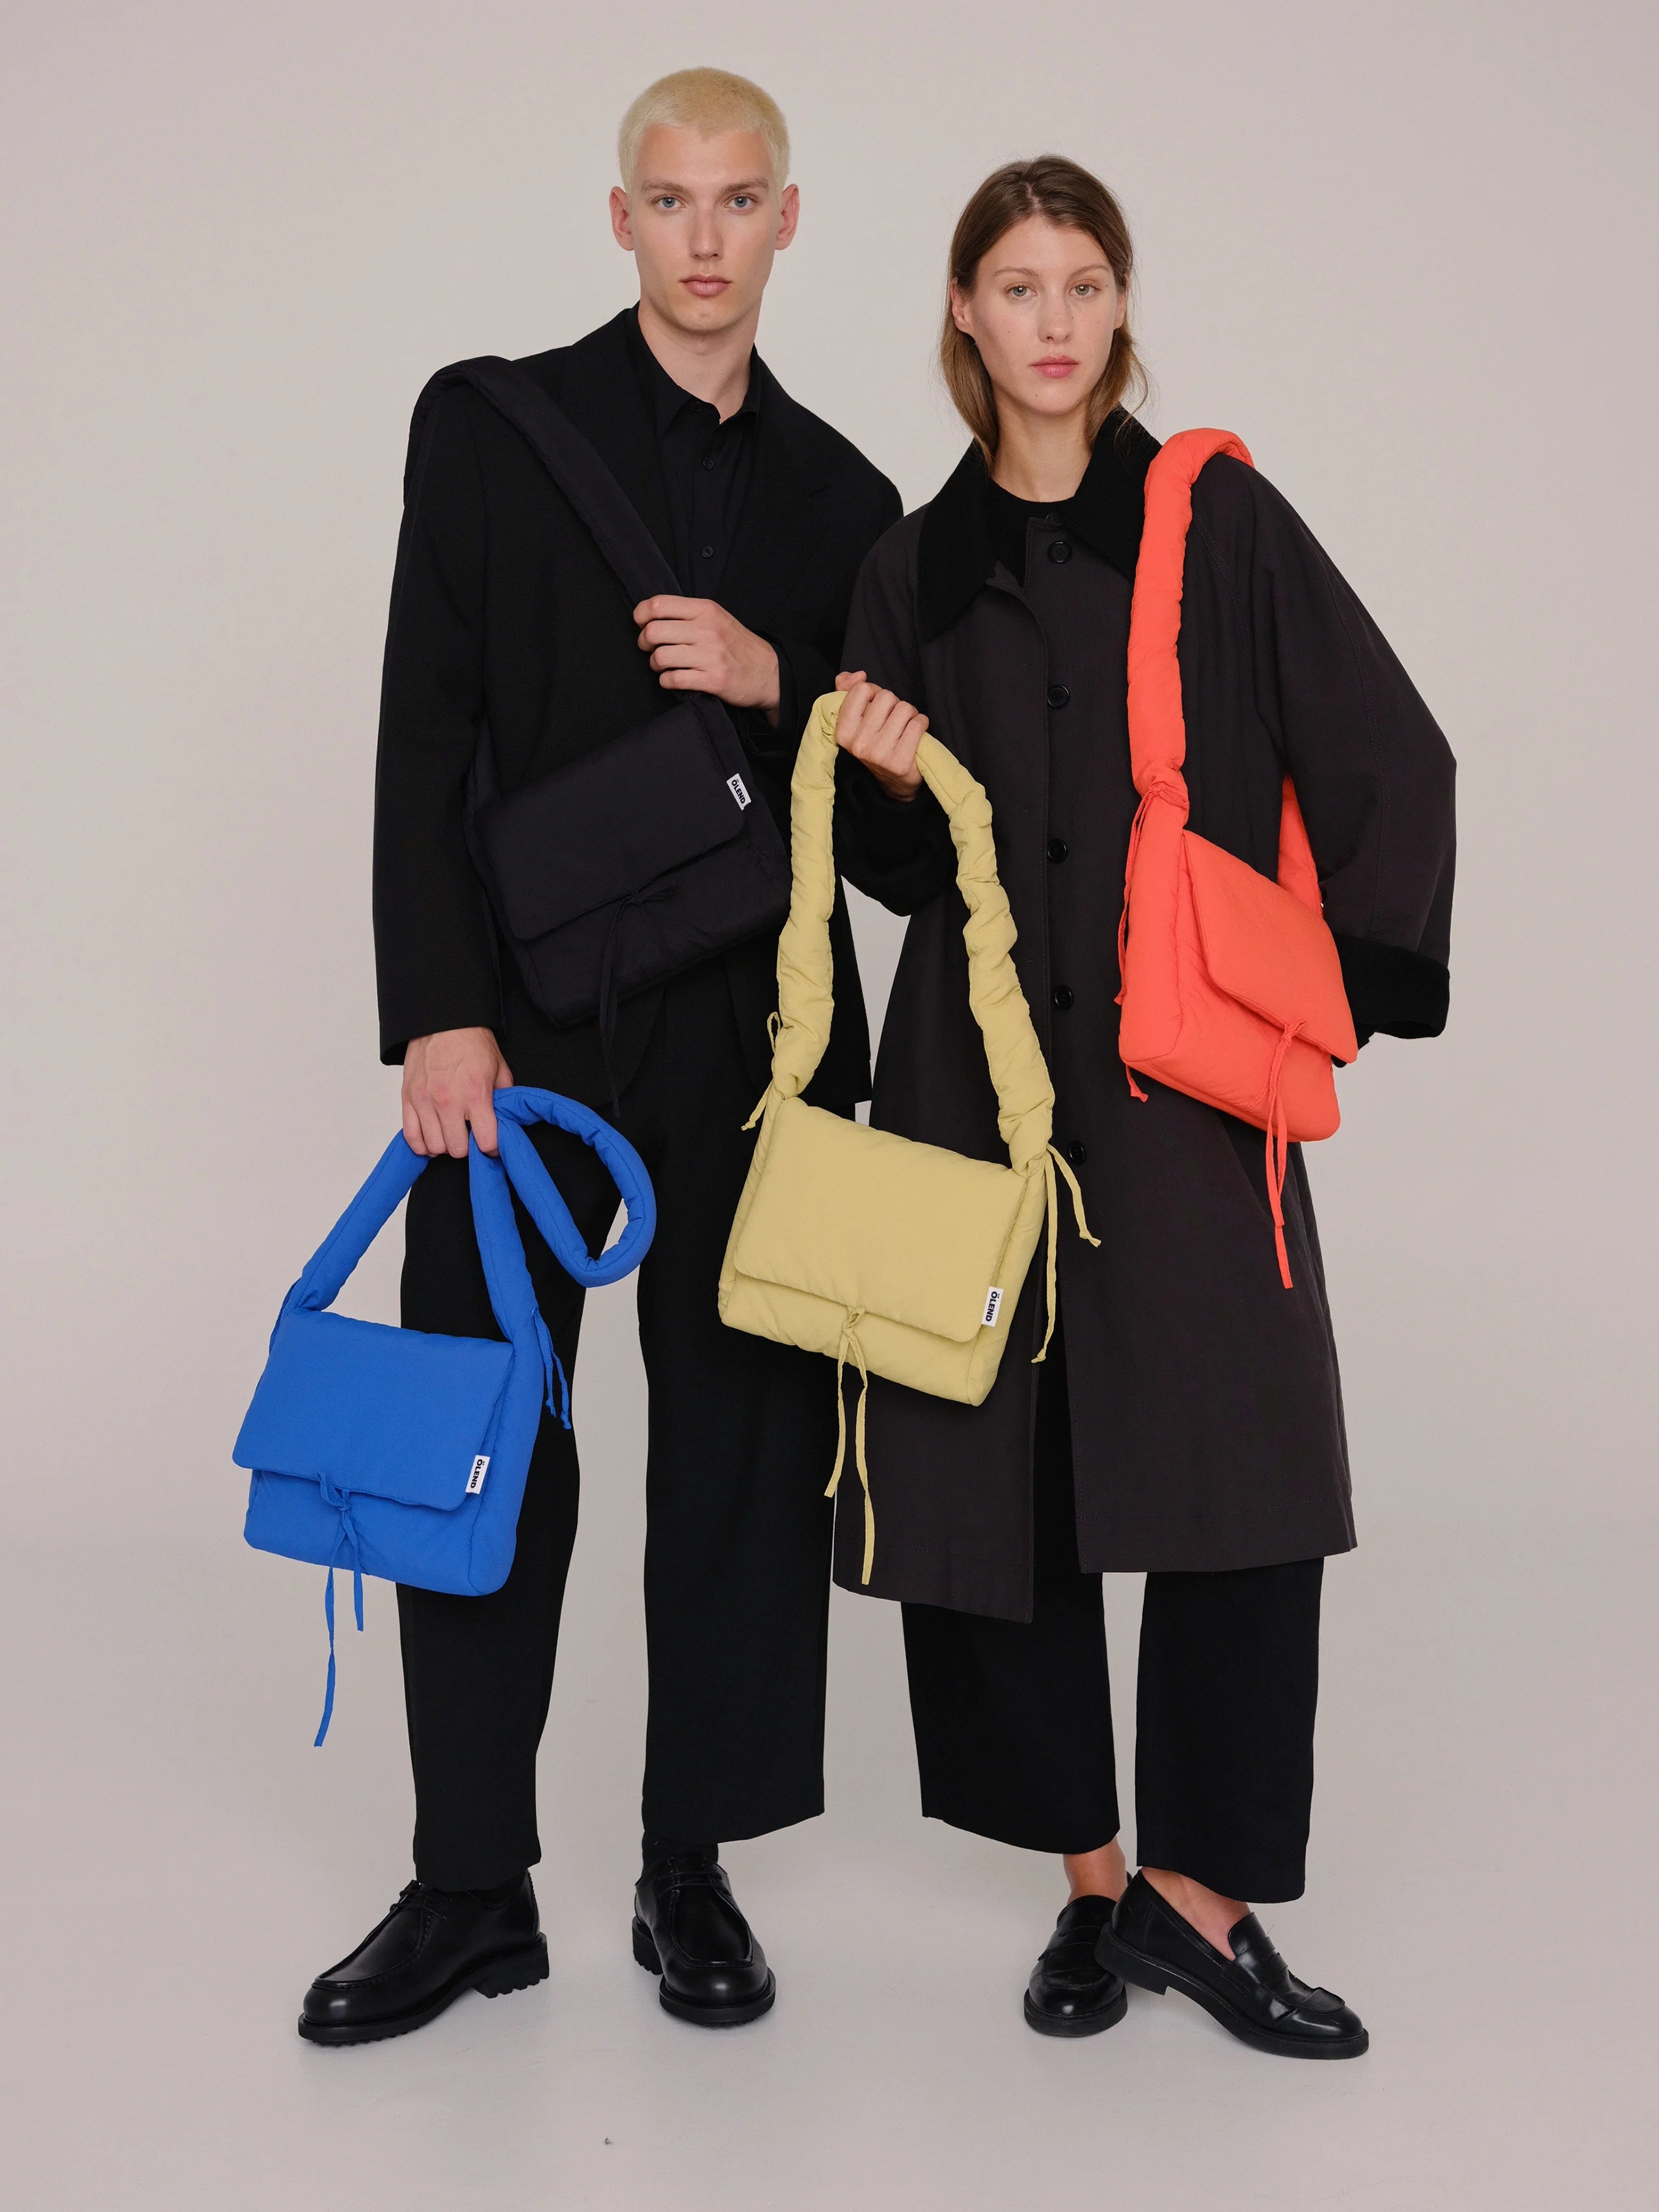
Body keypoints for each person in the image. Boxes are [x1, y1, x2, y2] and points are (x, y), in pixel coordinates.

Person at [299, 68, 930, 2045]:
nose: (706, 237)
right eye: (672, 199)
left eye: (740, 200)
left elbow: (902, 849)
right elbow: (422, 728)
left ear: (790, 219)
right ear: (621, 216)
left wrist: (782, 681)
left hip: (759, 1043)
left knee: (739, 1456)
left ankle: (690, 1862)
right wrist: (438, 1009)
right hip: (521, 1042)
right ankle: (469, 1885)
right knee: (484, 1436)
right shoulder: (493, 427)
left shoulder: (850, 506)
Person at [831, 156, 1455, 2057]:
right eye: (1018, 287)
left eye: (1086, 284)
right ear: (965, 313)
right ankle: (1096, 1882)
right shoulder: (910, 566)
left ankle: (1204, 1898)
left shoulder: (1217, 518)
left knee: (1239, 1470)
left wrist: (1366, 974)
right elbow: (892, 872)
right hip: (974, 1077)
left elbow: (1382, 736)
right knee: (991, 1482)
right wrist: (876, 776)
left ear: (1121, 305)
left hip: (1181, 1077)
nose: (1055, 322)